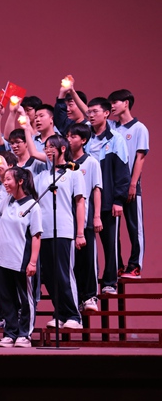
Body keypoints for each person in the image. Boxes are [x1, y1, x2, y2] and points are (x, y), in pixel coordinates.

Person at [0, 166, 42, 348]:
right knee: (6, 299)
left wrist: (33, 262)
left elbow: (36, 236)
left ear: (20, 181)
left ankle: (24, 334)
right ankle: (10, 333)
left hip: (21, 259)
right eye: (4, 179)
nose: (5, 182)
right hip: (1, 259)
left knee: (25, 299)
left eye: (8, 179)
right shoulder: (8, 200)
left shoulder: (33, 205)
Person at [34, 135, 86, 329]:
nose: (47, 151)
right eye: (45, 147)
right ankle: (60, 313)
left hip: (63, 229)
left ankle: (74, 315)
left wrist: (80, 233)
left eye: (51, 147)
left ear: (63, 148)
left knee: (64, 274)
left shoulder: (73, 173)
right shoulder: (42, 176)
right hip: (44, 231)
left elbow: (80, 203)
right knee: (49, 276)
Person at [82, 97, 130, 294]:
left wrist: (119, 200)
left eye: (95, 112)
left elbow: (122, 171)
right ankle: (88, 288)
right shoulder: (84, 136)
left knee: (110, 244)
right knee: (86, 246)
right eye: (89, 112)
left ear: (106, 113)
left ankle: (110, 282)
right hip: (85, 202)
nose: (91, 115)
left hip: (109, 200)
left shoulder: (116, 139)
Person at [107, 89, 148, 278]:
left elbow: (140, 157)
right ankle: (117, 266)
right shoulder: (111, 127)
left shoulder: (139, 128)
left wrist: (132, 184)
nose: (112, 106)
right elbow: (90, 112)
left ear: (126, 103)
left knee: (134, 227)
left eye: (115, 102)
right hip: (114, 187)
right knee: (113, 231)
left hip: (131, 185)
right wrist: (72, 92)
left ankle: (135, 266)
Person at [66, 123, 103, 312]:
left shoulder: (91, 162)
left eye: (73, 136)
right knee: (73, 263)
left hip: (86, 218)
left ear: (83, 140)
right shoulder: (64, 164)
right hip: (67, 220)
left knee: (88, 259)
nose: (69, 139)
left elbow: (97, 189)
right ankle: (77, 298)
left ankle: (90, 296)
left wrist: (96, 216)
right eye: (68, 136)